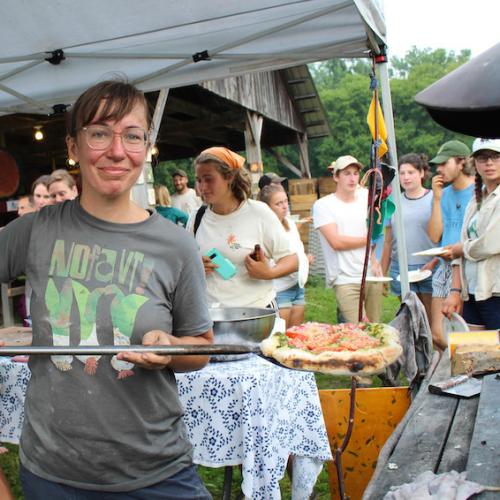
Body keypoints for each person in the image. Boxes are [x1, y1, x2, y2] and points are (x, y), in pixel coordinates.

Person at [0, 80, 214, 499]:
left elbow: (201, 348)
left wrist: (171, 345)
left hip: (156, 471)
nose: (117, 151)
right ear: (73, 147)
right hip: (53, 473)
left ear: (147, 146)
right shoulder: (37, 230)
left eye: (132, 135)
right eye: (99, 132)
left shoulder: (176, 245)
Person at [188, 146, 297, 308]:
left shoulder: (258, 212)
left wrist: (269, 273)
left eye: (209, 179)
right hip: (212, 316)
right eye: (198, 180)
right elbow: (184, 263)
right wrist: (195, 266)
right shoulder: (196, 217)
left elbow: (292, 260)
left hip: (257, 314)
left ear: (229, 177)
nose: (202, 187)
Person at [312, 155, 383, 324]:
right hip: (344, 278)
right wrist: (367, 240)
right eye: (347, 173)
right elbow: (336, 242)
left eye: (356, 173)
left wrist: (374, 260)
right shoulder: (323, 205)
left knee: (376, 328)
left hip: (370, 275)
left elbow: (374, 231)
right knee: (358, 328)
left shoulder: (366, 197)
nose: (352, 178)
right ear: (336, 177)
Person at [442, 138, 500, 330]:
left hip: (496, 291)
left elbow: (491, 243)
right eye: (483, 158)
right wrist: (455, 290)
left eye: (495, 157)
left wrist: (461, 249)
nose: (489, 163)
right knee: (474, 353)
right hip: (473, 291)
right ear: (474, 163)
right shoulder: (476, 198)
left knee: (495, 354)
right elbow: (462, 242)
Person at [427, 140, 474, 349]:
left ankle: (458, 375)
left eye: (444, 163)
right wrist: (436, 200)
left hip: (465, 264)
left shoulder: (478, 191)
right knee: (437, 334)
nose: (439, 169)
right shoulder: (443, 194)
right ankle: (451, 371)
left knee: (459, 332)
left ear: (461, 163)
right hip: (444, 265)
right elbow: (435, 236)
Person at [381, 153, 437, 322]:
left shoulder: (434, 198)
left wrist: (435, 262)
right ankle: (414, 349)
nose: (406, 177)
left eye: (411, 172)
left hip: (429, 266)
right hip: (401, 267)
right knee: (411, 318)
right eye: (402, 173)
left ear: (422, 173)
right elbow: (388, 241)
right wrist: (383, 274)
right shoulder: (393, 202)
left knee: (429, 319)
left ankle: (434, 349)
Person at [258, 183, 313, 327]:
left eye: (285, 201)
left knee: (295, 334)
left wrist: (304, 259)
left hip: (297, 286)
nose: (284, 206)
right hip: (279, 290)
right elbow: (267, 265)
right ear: (267, 208)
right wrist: (299, 262)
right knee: (281, 336)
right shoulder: (264, 230)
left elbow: (297, 251)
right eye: (278, 203)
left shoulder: (291, 224)